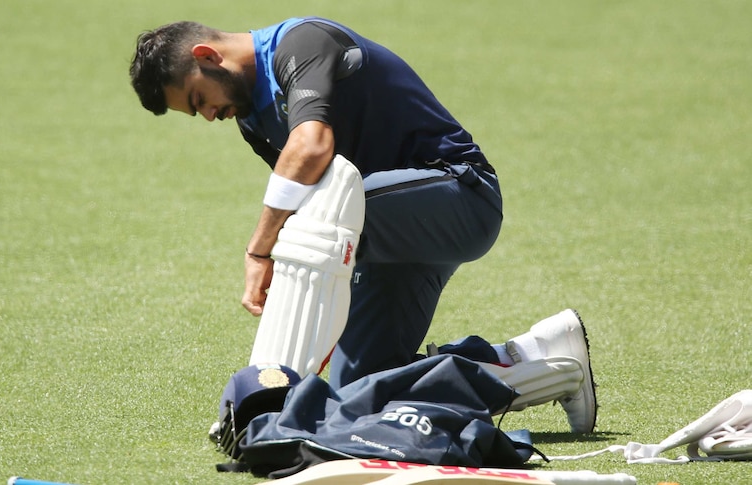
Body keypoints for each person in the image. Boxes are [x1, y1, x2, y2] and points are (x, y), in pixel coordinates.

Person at [129, 17, 597, 433]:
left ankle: (269, 403)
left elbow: (313, 150)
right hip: (382, 233)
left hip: (460, 197)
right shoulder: (252, 119)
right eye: (197, 113)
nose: (210, 116)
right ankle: (539, 357)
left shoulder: (302, 44)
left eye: (199, 99)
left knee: (315, 215)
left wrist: (258, 251)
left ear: (208, 56)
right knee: (359, 395)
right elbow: (309, 194)